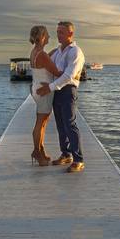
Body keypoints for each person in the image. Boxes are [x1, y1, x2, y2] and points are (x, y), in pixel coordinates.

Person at [36, 21, 85, 173]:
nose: (58, 35)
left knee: (70, 124)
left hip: (68, 90)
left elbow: (68, 76)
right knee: (60, 125)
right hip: (56, 91)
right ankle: (66, 154)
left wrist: (48, 88)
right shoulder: (58, 51)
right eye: (57, 32)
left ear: (70, 34)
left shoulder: (75, 52)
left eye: (61, 32)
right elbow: (49, 65)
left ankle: (78, 159)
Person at [28, 25, 63, 166]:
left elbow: (42, 63)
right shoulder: (41, 54)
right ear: (42, 36)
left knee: (42, 122)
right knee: (40, 123)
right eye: (47, 34)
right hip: (44, 90)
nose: (49, 36)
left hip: (37, 87)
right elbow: (56, 72)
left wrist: (54, 52)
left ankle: (41, 150)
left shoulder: (35, 52)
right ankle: (36, 151)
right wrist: (74, 72)